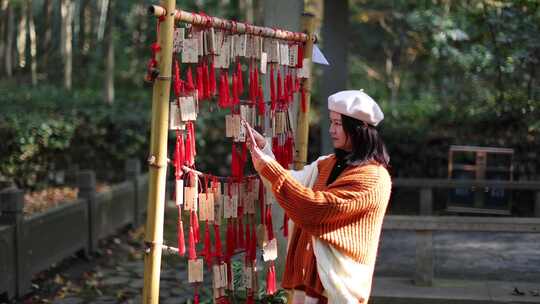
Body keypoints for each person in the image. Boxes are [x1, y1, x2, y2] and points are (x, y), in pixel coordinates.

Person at [244, 90, 392, 304]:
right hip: (312, 278)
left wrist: (268, 167)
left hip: (339, 286)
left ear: (359, 129)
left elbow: (316, 209)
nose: (331, 130)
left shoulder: (374, 178)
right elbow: (293, 183)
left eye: (338, 124)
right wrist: (264, 152)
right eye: (331, 122)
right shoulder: (328, 163)